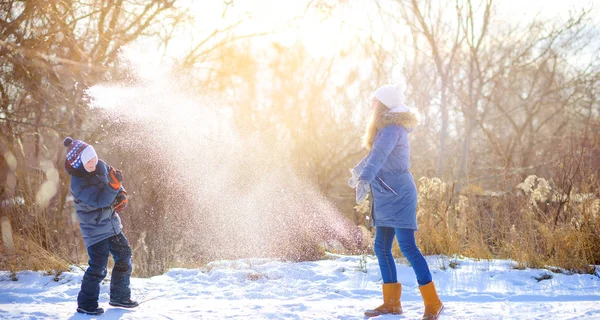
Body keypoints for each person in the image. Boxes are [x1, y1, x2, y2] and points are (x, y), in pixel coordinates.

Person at [349, 81, 444, 319]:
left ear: (383, 106)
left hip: (399, 194)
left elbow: (379, 157)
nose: (371, 105)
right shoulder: (386, 129)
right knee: (381, 247)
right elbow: (373, 156)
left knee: (407, 247)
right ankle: (391, 303)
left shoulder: (392, 129)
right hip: (385, 193)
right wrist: (357, 174)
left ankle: (434, 303)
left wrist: (365, 179)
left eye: (375, 102)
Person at [63, 137, 138, 315]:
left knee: (125, 256)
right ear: (79, 163)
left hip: (111, 224)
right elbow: (100, 200)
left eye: (94, 159)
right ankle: (86, 304)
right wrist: (113, 187)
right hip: (95, 230)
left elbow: (114, 181)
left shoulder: (100, 165)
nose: (93, 165)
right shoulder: (78, 184)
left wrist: (122, 193)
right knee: (98, 268)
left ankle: (119, 296)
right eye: (88, 163)